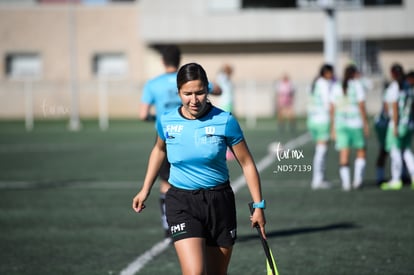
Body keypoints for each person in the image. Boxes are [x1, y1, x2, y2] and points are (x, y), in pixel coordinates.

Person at [132, 63, 267, 275]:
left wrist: (259, 205)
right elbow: (158, 150)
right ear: (178, 92)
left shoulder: (225, 121)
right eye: (187, 94)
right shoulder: (166, 121)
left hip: (219, 202)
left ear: (207, 90)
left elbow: (247, 163)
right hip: (181, 201)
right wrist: (145, 189)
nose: (194, 100)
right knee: (194, 272)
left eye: (199, 93)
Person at [139, 45, 222, 237]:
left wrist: (157, 120)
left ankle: (170, 226)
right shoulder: (190, 80)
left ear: (163, 61)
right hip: (195, 132)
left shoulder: (153, 84)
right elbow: (218, 89)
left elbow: (143, 114)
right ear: (179, 59)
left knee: (166, 184)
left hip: (168, 135)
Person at [330, 64, 369, 191]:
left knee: (344, 153)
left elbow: (332, 108)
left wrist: (332, 126)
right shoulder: (357, 85)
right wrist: (366, 123)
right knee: (361, 151)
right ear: (355, 73)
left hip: (341, 124)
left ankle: (346, 184)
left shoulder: (336, 86)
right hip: (356, 123)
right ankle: (358, 180)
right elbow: (362, 106)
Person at [381, 65, 414, 190]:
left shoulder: (394, 87)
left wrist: (395, 126)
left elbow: (394, 108)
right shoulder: (409, 86)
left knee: (395, 152)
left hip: (398, 124)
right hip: (408, 123)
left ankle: (396, 179)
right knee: (406, 151)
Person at [307, 64, 335, 189]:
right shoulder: (325, 84)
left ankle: (319, 178)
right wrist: (333, 122)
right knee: (321, 151)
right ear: (326, 73)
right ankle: (318, 179)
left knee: (320, 150)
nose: (332, 75)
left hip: (313, 120)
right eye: (331, 72)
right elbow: (328, 103)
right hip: (322, 120)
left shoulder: (314, 83)